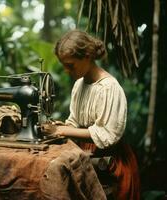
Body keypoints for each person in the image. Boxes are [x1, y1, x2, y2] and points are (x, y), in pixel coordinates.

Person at [41, 29, 140, 200]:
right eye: (63, 65)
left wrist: (61, 131)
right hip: (84, 157)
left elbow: (107, 135)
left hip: (110, 164)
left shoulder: (109, 88)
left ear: (87, 56)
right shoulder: (79, 85)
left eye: (70, 65)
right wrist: (61, 126)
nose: (66, 70)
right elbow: (74, 123)